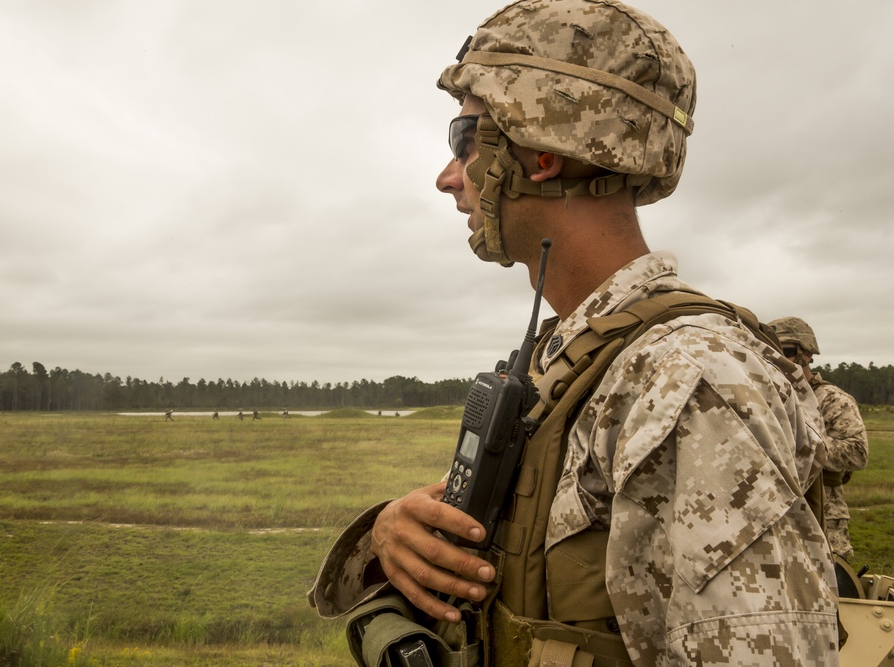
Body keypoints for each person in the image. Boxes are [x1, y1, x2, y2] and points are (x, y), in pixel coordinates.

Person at [309, 1, 838, 665]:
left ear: (538, 151)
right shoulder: (566, 362)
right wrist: (390, 531)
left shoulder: (693, 381)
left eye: (464, 138)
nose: (448, 177)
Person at [770, 316, 869, 562]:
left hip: (824, 516)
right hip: (776, 512)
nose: (780, 358)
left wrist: (800, 443)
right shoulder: (766, 397)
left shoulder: (831, 400)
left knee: (835, 587)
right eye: (772, 350)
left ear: (807, 354)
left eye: (787, 351)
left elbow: (857, 452)